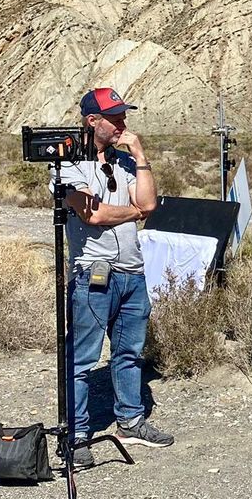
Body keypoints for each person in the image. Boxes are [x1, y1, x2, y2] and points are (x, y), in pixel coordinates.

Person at [60, 87, 174, 468]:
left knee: (129, 353)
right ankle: (76, 434)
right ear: (93, 121)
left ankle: (130, 420)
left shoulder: (125, 162)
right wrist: (134, 212)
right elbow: (91, 214)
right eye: (115, 117)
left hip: (131, 272)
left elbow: (150, 204)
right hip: (94, 272)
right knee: (82, 360)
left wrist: (140, 157)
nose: (123, 123)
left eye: (124, 115)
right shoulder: (67, 164)